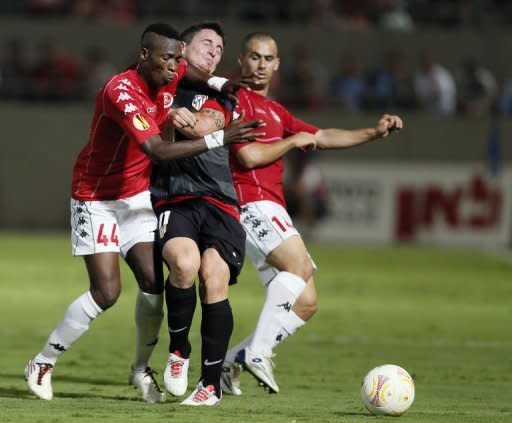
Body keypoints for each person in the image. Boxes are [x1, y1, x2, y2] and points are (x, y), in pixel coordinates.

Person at [24, 22, 261, 403]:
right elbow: (157, 151)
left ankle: (140, 370)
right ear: (144, 56)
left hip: (136, 196)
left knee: (154, 284)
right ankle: (43, 361)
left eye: (177, 59)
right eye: (167, 59)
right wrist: (220, 137)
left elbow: (198, 74)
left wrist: (222, 85)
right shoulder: (122, 92)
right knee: (107, 292)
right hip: (96, 197)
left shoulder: (172, 70)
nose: (174, 67)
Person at [221, 32, 403, 395]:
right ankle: (259, 352)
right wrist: (290, 141)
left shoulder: (277, 111)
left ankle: (232, 361)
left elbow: (322, 135)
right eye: (254, 57)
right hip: (249, 202)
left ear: (277, 64)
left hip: (272, 207)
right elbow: (247, 157)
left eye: (267, 58)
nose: (260, 65)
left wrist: (373, 132)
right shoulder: (235, 100)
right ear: (241, 61)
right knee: (300, 268)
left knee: (305, 303)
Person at [150, 22, 265, 407]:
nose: (215, 50)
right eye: (207, 43)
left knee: (213, 276)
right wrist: (173, 114)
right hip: (175, 198)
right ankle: (179, 350)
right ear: (181, 47)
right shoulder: (161, 83)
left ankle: (211, 385)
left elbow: (208, 123)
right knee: (183, 263)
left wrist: (185, 116)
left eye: (220, 46)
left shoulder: (225, 94)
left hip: (220, 202)